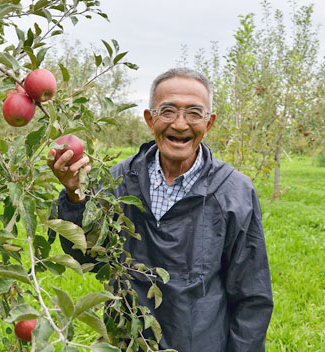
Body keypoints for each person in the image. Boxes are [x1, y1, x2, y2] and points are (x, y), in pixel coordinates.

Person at [48, 68, 274, 351]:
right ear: (149, 119)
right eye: (167, 111)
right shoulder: (116, 181)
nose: (180, 125)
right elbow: (87, 257)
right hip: (126, 341)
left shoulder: (234, 193)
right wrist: (75, 194)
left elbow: (252, 296)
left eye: (194, 113)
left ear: (209, 122)